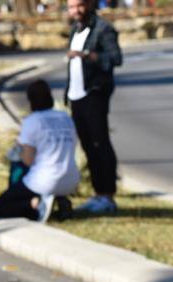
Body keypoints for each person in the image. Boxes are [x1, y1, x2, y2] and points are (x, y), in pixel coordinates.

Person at [0, 79, 79, 222]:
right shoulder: (65, 117)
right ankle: (60, 200)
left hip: (44, 181)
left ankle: (35, 205)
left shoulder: (33, 120)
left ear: (30, 100)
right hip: (71, 179)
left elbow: (28, 160)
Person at [65, 0, 122, 214]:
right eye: (71, 7)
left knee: (100, 144)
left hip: (95, 94)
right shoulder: (76, 30)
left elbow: (116, 58)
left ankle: (108, 195)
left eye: (79, 5)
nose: (75, 11)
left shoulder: (103, 29)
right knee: (88, 145)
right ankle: (98, 194)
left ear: (89, 4)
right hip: (76, 96)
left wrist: (88, 55)